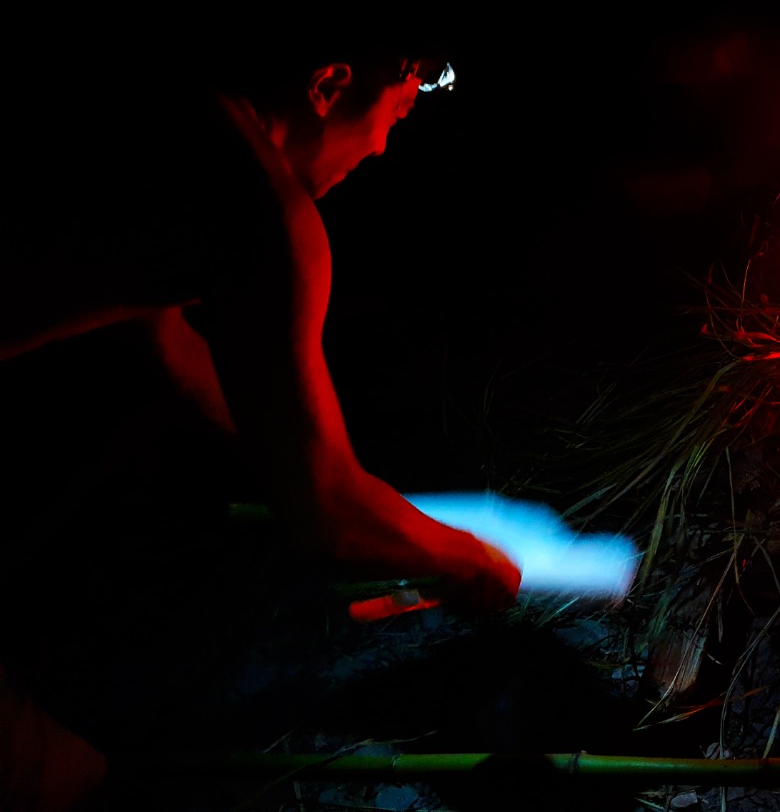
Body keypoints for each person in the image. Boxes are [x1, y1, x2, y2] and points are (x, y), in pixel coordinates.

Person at [0, 46, 522, 810]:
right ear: (326, 83)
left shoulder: (176, 128)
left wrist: (341, 482)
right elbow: (325, 517)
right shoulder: (267, 216)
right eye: (395, 114)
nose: (382, 148)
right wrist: (461, 555)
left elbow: (173, 348)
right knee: (55, 782)